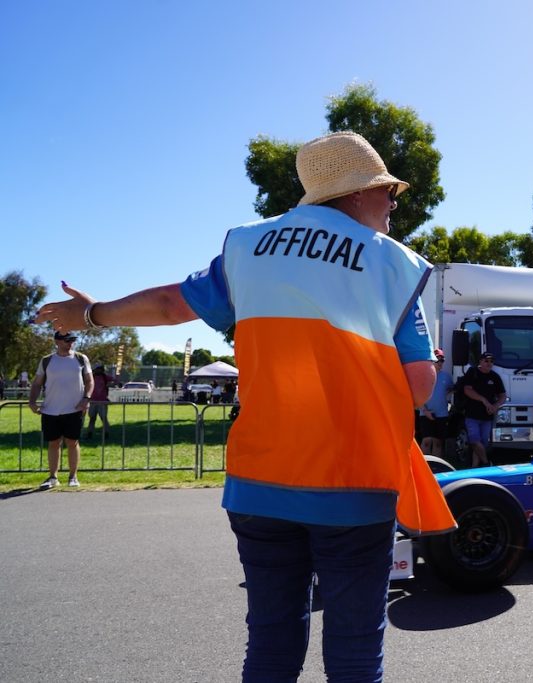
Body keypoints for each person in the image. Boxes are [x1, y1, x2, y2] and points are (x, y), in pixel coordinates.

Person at [33, 131, 455, 682]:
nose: (393, 202)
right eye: (387, 191)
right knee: (355, 654)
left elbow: (169, 304)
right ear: (356, 193)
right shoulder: (394, 265)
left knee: (271, 646)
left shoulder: (248, 246)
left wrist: (92, 315)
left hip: (260, 482)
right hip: (354, 480)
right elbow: (419, 387)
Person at [28, 331, 94, 488]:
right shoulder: (46, 360)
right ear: (57, 342)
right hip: (50, 409)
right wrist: (32, 401)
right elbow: (37, 383)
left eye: (72, 340)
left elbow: (89, 381)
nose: (70, 343)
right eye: (67, 340)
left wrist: (86, 398)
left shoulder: (81, 358)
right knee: (53, 443)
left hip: (74, 409)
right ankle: (53, 477)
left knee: (72, 442)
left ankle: (73, 477)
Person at [461, 351, 507, 468]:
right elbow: (467, 390)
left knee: (483, 443)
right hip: (472, 414)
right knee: (474, 441)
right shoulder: (472, 372)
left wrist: (495, 406)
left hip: (487, 417)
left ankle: (475, 467)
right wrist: (483, 400)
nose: (489, 363)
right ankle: (486, 463)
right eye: (486, 361)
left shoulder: (495, 376)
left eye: (491, 361)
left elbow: (502, 395)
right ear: (480, 361)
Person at [417, 349, 454, 458]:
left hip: (442, 414)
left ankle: (436, 465)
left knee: (438, 442)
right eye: (437, 360)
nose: (440, 363)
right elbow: (417, 394)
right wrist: (425, 410)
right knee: (427, 441)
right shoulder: (424, 376)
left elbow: (451, 389)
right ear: (432, 360)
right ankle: (425, 464)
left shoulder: (446, 376)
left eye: (442, 360)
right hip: (425, 413)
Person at [86, 363, 114, 439]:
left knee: (103, 418)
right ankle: (89, 433)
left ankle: (106, 433)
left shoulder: (105, 377)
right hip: (92, 401)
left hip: (102, 401)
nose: (98, 370)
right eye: (97, 369)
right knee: (92, 418)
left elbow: (114, 381)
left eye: (100, 369)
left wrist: (112, 384)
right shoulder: (91, 377)